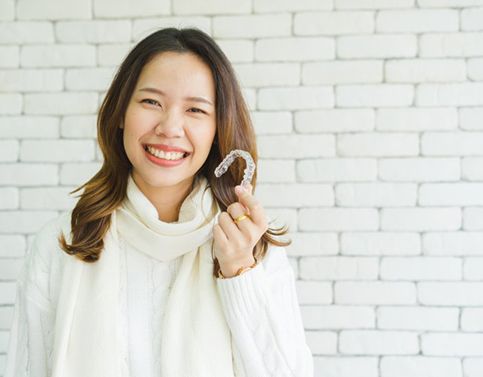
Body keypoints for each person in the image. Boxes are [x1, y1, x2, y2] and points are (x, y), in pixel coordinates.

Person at [4, 27, 314, 377]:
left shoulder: (252, 247)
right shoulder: (62, 244)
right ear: (121, 113)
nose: (170, 127)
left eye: (196, 110)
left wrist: (240, 273)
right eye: (151, 102)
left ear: (217, 128)